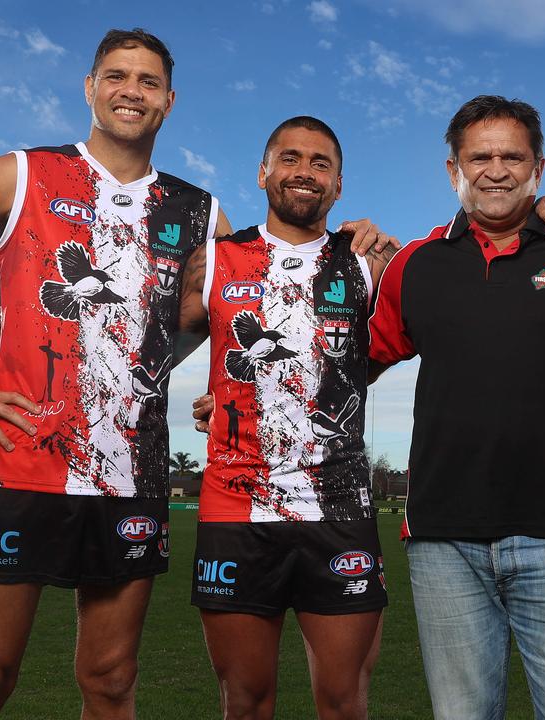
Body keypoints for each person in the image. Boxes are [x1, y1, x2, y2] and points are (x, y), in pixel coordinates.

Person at [0, 29, 229, 718]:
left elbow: (210, 319)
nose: (131, 89)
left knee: (109, 679)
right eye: (116, 75)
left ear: (170, 99)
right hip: (19, 463)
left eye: (147, 80)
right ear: (90, 87)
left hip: (134, 472)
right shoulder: (20, 174)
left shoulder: (202, 214)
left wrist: (201, 383)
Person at [366, 95, 545, 720]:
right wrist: (239, 388)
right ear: (452, 169)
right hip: (443, 538)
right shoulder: (414, 264)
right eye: (480, 156)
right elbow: (349, 366)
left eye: (512, 157)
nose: (496, 170)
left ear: (538, 168)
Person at [176, 116, 396, 720]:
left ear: (340, 184)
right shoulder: (215, 260)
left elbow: (393, 339)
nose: (304, 171)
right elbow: (152, 350)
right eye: (290, 158)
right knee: (245, 701)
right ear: (264, 171)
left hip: (339, 511)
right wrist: (217, 390)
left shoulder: (370, 263)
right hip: (236, 508)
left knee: (343, 700)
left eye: (320, 163)